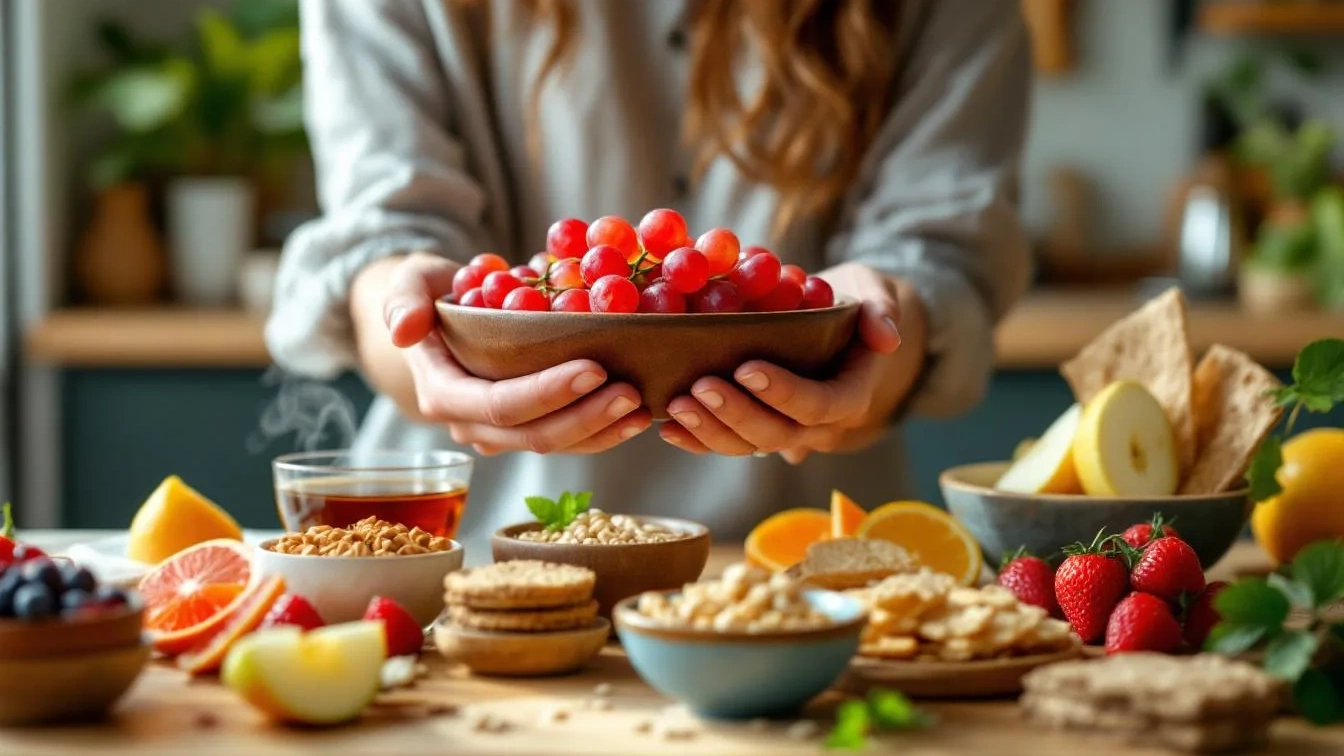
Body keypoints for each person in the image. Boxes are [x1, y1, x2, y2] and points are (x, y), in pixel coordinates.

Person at [267, 0, 1032, 557]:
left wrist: (876, 342)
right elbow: (387, 235)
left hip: (803, 570)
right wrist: (412, 322)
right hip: (468, 558)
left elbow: (937, 256)